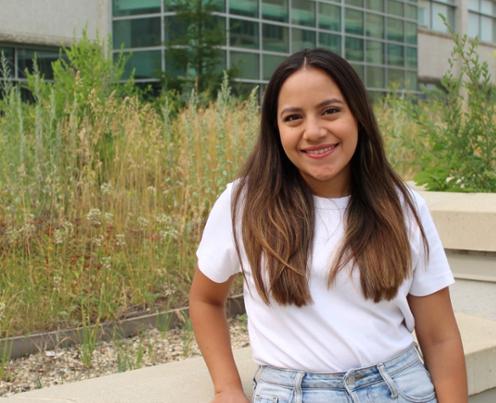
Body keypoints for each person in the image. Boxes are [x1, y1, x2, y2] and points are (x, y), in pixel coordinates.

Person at [189, 48, 468, 403]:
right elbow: (205, 299)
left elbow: (439, 336)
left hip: (401, 388)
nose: (314, 131)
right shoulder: (243, 204)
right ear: (276, 130)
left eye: (330, 111)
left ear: (358, 116)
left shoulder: (402, 206)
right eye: (293, 118)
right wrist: (226, 387)